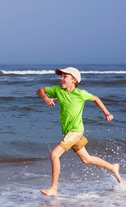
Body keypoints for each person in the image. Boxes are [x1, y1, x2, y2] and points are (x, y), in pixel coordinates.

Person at [37, 67, 121, 197]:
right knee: (86, 159)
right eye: (61, 76)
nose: (61, 79)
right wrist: (45, 98)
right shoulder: (58, 90)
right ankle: (112, 167)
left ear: (74, 80)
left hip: (76, 132)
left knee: (54, 155)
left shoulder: (81, 94)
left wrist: (107, 113)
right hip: (69, 132)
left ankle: (54, 188)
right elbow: (40, 90)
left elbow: (96, 99)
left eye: (65, 76)